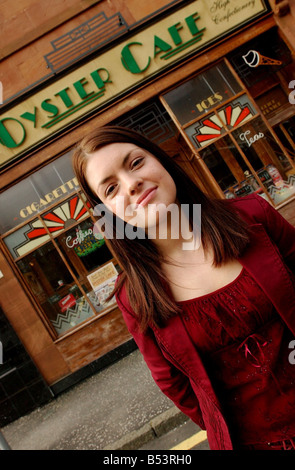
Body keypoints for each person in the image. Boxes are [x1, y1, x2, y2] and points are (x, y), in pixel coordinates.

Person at [72, 125, 295, 450]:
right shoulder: (134, 297)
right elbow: (175, 385)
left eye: (135, 163)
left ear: (161, 162)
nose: (132, 184)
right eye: (110, 189)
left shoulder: (253, 216)